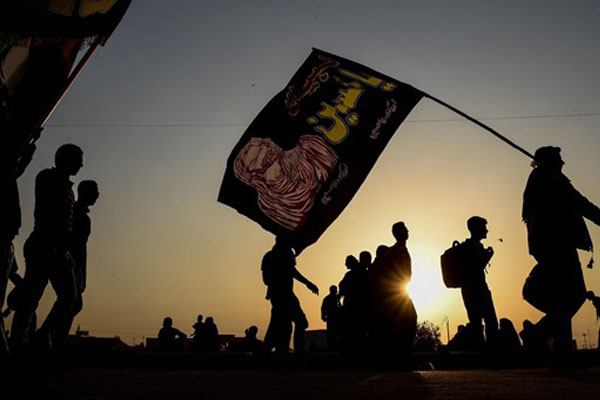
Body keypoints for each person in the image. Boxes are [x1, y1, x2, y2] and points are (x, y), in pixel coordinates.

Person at [522, 146, 600, 362]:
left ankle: (556, 348)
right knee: (571, 296)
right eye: (558, 159)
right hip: (556, 246)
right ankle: (542, 338)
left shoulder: (546, 179)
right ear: (550, 161)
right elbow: (580, 204)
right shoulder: (548, 180)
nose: (563, 163)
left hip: (553, 245)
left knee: (565, 298)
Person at [10, 144, 83, 351]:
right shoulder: (47, 178)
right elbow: (49, 215)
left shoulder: (68, 188)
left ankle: (40, 336)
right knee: (32, 298)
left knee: (68, 297)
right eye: (78, 159)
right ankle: (19, 341)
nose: (81, 164)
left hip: (58, 250)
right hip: (44, 246)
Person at [261, 236, 319, 355]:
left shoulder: (270, 255)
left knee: (282, 325)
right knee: (291, 324)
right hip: (283, 295)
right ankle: (292, 351)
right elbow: (291, 272)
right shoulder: (280, 254)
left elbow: (268, 279)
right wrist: (307, 283)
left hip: (281, 295)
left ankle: (276, 349)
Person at [369, 222, 417, 355]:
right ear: (397, 233)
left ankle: (404, 353)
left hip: (401, 292)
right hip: (394, 294)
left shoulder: (401, 250)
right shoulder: (391, 253)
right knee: (404, 322)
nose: (407, 231)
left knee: (409, 320)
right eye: (404, 229)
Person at [60, 180, 99, 342]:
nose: (98, 195)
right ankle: (51, 336)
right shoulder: (75, 214)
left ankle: (55, 338)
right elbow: (73, 243)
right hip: (70, 263)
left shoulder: (82, 215)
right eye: (95, 191)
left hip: (77, 264)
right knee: (72, 302)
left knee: (73, 304)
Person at [459, 216, 498, 349]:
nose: (486, 230)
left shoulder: (475, 246)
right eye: (484, 227)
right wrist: (488, 256)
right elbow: (474, 268)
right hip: (475, 289)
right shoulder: (470, 247)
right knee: (483, 323)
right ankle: (488, 351)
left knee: (480, 323)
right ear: (476, 229)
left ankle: (486, 350)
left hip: (475, 289)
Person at [321, 285, 341, 351]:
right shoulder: (329, 299)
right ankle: (332, 347)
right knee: (332, 333)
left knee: (334, 333)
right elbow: (323, 308)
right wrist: (323, 316)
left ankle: (334, 347)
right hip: (332, 318)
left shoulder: (333, 298)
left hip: (335, 318)